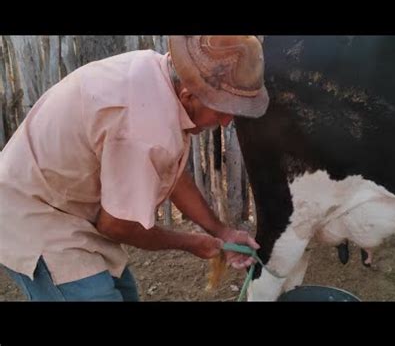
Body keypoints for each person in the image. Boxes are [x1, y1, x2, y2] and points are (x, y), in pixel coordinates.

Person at [0, 35, 269, 301]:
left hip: (69, 203)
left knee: (125, 294)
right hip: (34, 213)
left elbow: (167, 173)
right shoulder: (145, 129)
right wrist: (192, 243)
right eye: (222, 109)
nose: (226, 121)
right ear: (189, 95)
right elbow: (116, 226)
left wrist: (222, 232)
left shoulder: (158, 77)